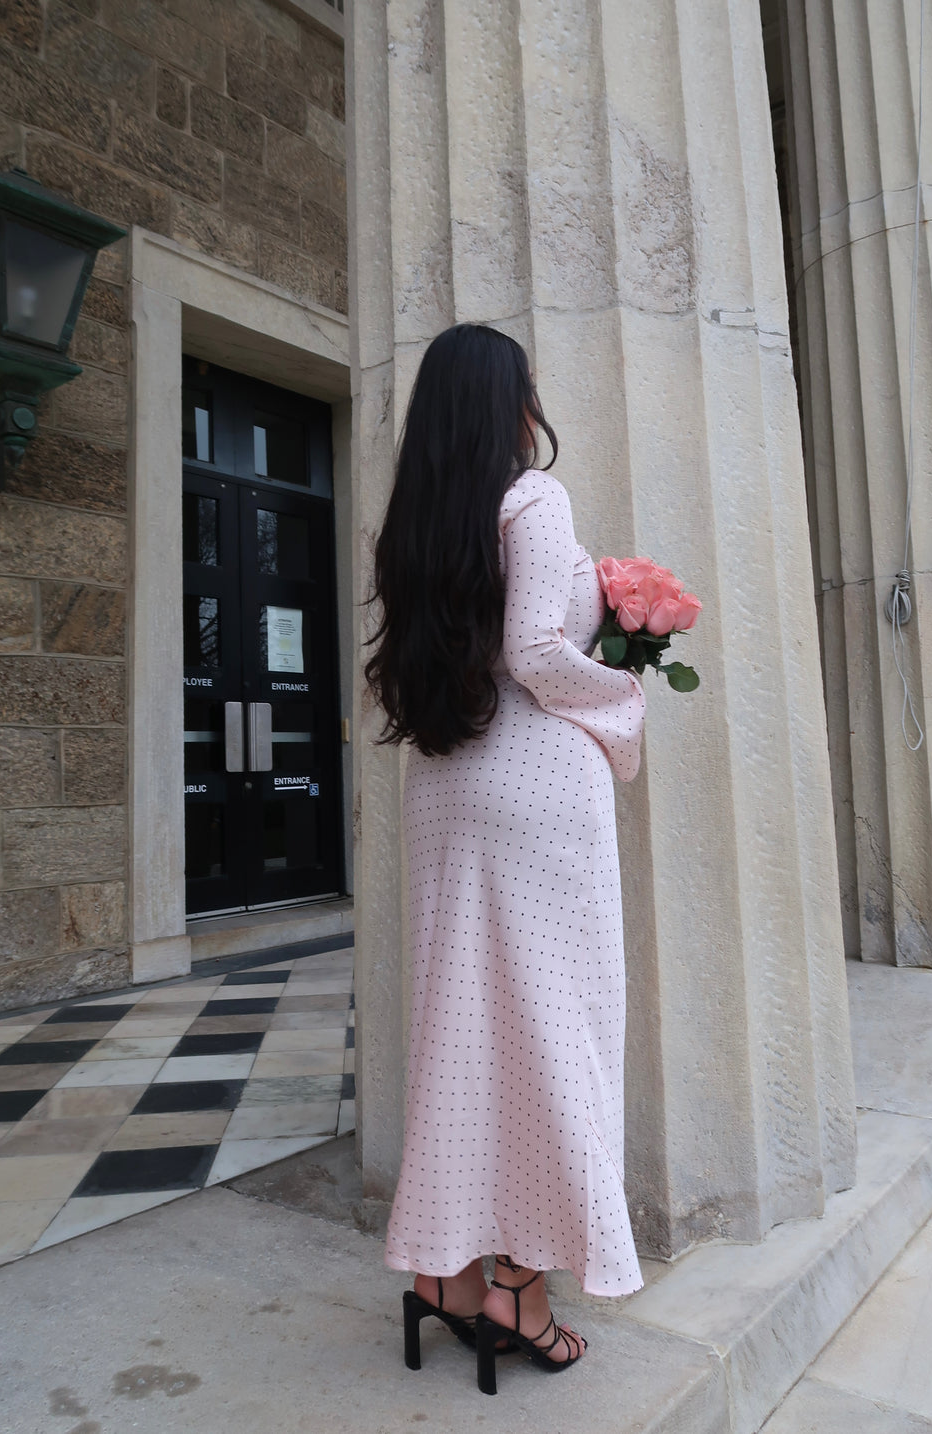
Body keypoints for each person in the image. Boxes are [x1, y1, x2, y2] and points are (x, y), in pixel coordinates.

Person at [366, 323, 646, 1395]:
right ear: (508, 400)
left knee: (464, 1025)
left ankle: (443, 1274)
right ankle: (517, 1292)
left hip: (446, 788)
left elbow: (475, 651)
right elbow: (534, 652)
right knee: (557, 1026)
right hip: (534, 788)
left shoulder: (417, 525)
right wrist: (622, 686)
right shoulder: (532, 499)